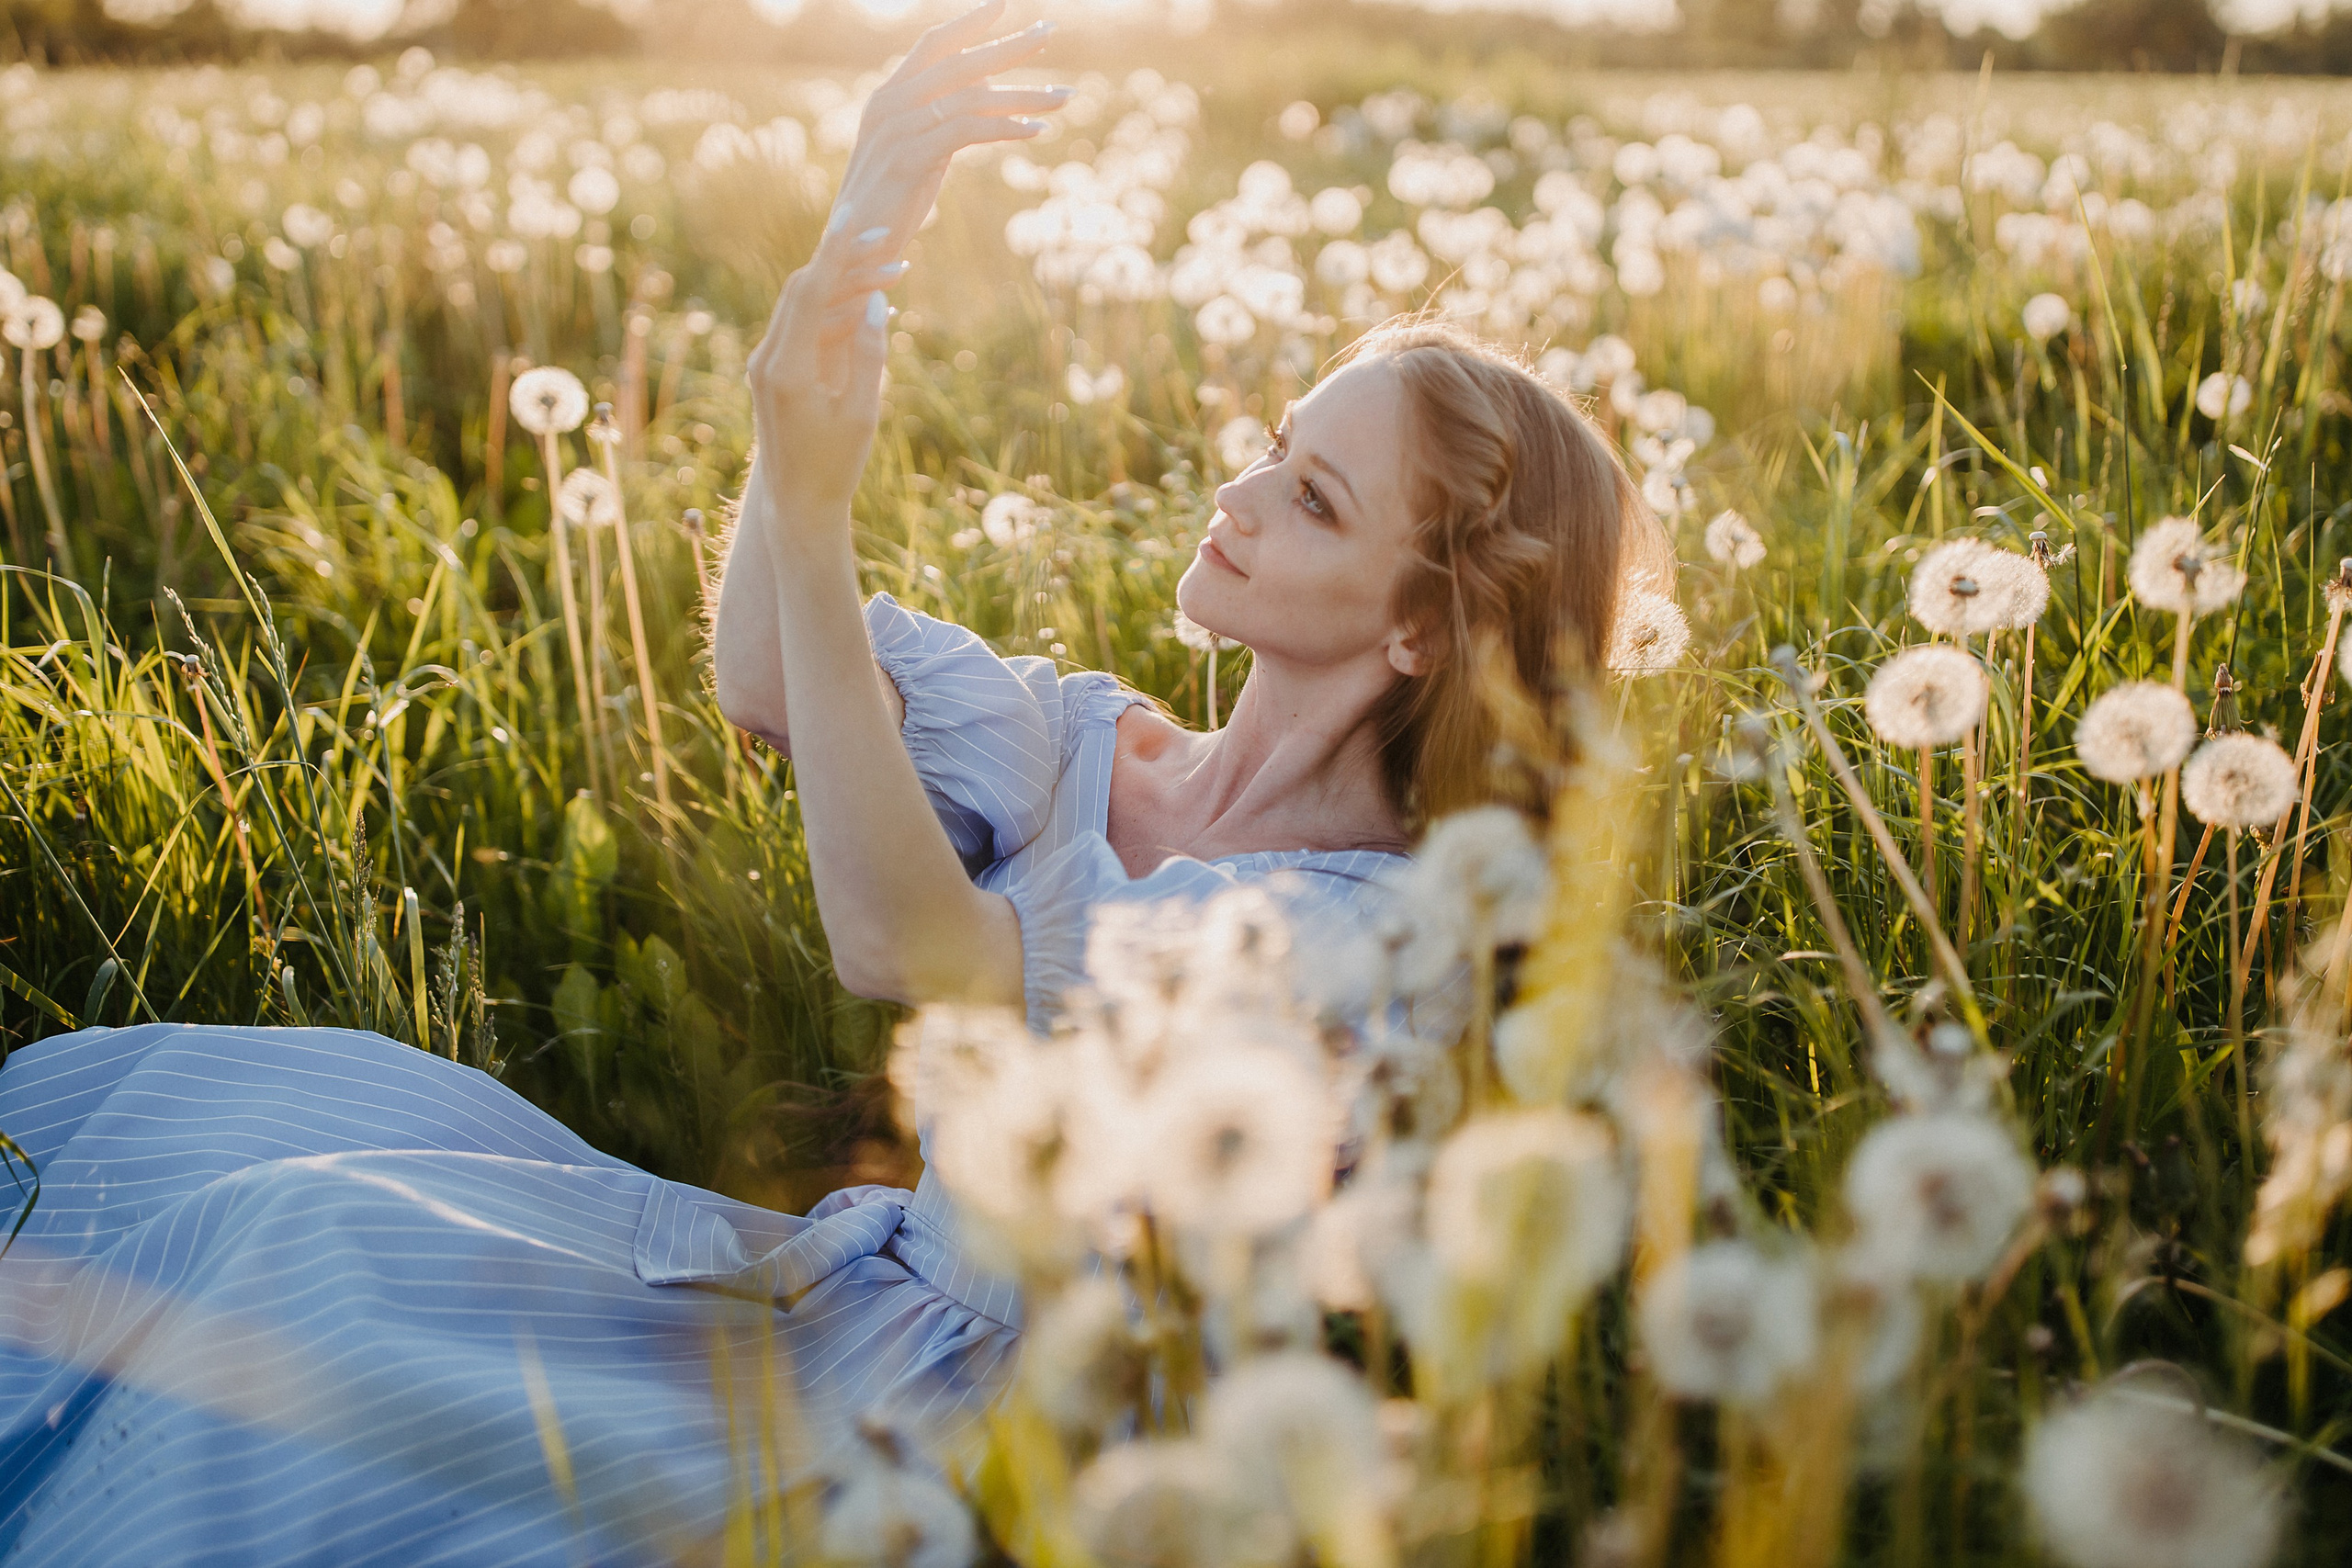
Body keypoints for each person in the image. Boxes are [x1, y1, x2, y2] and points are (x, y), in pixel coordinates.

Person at [0, 6, 1657, 1562]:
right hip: (844, 1294)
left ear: (1429, 626)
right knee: (277, 1163)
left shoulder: (1360, 937)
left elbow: (907, 947)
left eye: (1307, 497)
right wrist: (845, 268)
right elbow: (772, 680)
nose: (1231, 493)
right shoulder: (1093, 740)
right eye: (1269, 443)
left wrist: (814, 512)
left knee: (318, 1293)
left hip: (978, 1438)